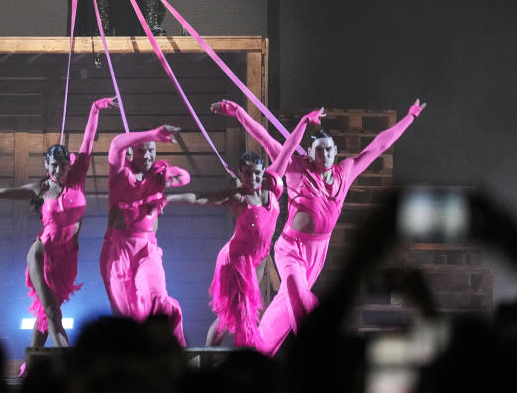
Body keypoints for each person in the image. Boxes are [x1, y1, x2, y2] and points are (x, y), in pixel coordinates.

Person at [211, 98, 426, 355]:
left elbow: (379, 145)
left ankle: (256, 355)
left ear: (335, 151)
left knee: (283, 314)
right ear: (310, 152)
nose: (324, 155)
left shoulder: (345, 172)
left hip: (317, 255)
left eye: (328, 150)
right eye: (318, 150)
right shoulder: (295, 167)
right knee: (301, 306)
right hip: (290, 251)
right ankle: (317, 359)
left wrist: (409, 117)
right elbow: (267, 139)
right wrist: (238, 113)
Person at [0, 96, 117, 347]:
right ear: (47, 167)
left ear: (69, 164)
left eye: (63, 165)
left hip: (67, 258)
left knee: (46, 315)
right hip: (41, 255)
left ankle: (30, 364)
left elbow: (88, 140)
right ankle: (71, 366)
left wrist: (94, 109)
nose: (59, 170)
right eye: (54, 166)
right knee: (52, 313)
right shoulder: (41, 189)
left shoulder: (77, 176)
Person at [206, 109, 323, 349]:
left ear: (264, 173)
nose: (254, 177)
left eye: (257, 173)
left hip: (257, 260)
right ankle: (210, 360)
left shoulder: (273, 181)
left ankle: (217, 359)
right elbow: (204, 199)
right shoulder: (240, 196)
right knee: (235, 317)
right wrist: (238, 113)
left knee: (232, 320)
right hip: (236, 260)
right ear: (241, 174)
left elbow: (288, 147)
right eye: (247, 173)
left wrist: (302, 122)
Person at [99, 124, 192, 345]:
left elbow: (185, 177)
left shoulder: (157, 174)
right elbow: (116, 144)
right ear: (132, 151)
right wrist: (152, 134)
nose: (148, 155)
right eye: (142, 150)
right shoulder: (120, 172)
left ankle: (177, 345)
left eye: (152, 150)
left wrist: (169, 177)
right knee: (127, 313)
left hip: (147, 248)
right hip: (117, 249)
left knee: (158, 298)